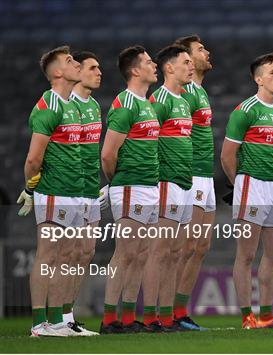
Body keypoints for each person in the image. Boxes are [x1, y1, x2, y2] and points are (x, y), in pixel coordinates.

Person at [221, 52, 273, 329]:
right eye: (272, 72)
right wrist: (238, 184)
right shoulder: (245, 110)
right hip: (252, 185)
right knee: (246, 255)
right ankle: (246, 316)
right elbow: (227, 155)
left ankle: (266, 315)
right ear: (258, 78)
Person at [20, 45, 83, 336]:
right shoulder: (48, 106)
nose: (76, 64)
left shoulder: (71, 105)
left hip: (72, 191)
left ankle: (57, 320)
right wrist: (31, 189)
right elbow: (33, 159)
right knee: (48, 254)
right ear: (57, 72)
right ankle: (38, 323)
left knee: (66, 254)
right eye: (70, 61)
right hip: (53, 191)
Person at [99, 45, 160, 334]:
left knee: (141, 254)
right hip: (129, 187)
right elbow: (108, 154)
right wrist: (118, 182)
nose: (155, 65)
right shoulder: (125, 104)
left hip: (149, 186)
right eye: (149, 62)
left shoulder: (146, 103)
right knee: (125, 252)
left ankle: (126, 316)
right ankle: (109, 318)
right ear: (135, 70)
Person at [144, 44, 195, 331]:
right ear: (169, 68)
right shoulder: (159, 100)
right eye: (186, 62)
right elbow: (147, 140)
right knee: (159, 250)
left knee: (176, 251)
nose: (191, 67)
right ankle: (151, 316)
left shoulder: (185, 102)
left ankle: (166, 316)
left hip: (183, 183)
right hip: (165, 182)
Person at [171, 35, 214, 330]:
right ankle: (168, 311)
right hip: (190, 175)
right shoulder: (183, 93)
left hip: (205, 175)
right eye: (200, 50)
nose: (207, 53)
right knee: (185, 246)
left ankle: (179, 310)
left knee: (200, 246)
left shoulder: (199, 91)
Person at [62, 50, 104, 336]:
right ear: (77, 70)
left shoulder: (95, 106)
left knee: (86, 252)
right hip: (69, 189)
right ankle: (56, 318)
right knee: (67, 254)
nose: (99, 72)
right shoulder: (66, 104)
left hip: (91, 188)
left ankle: (68, 315)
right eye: (92, 67)